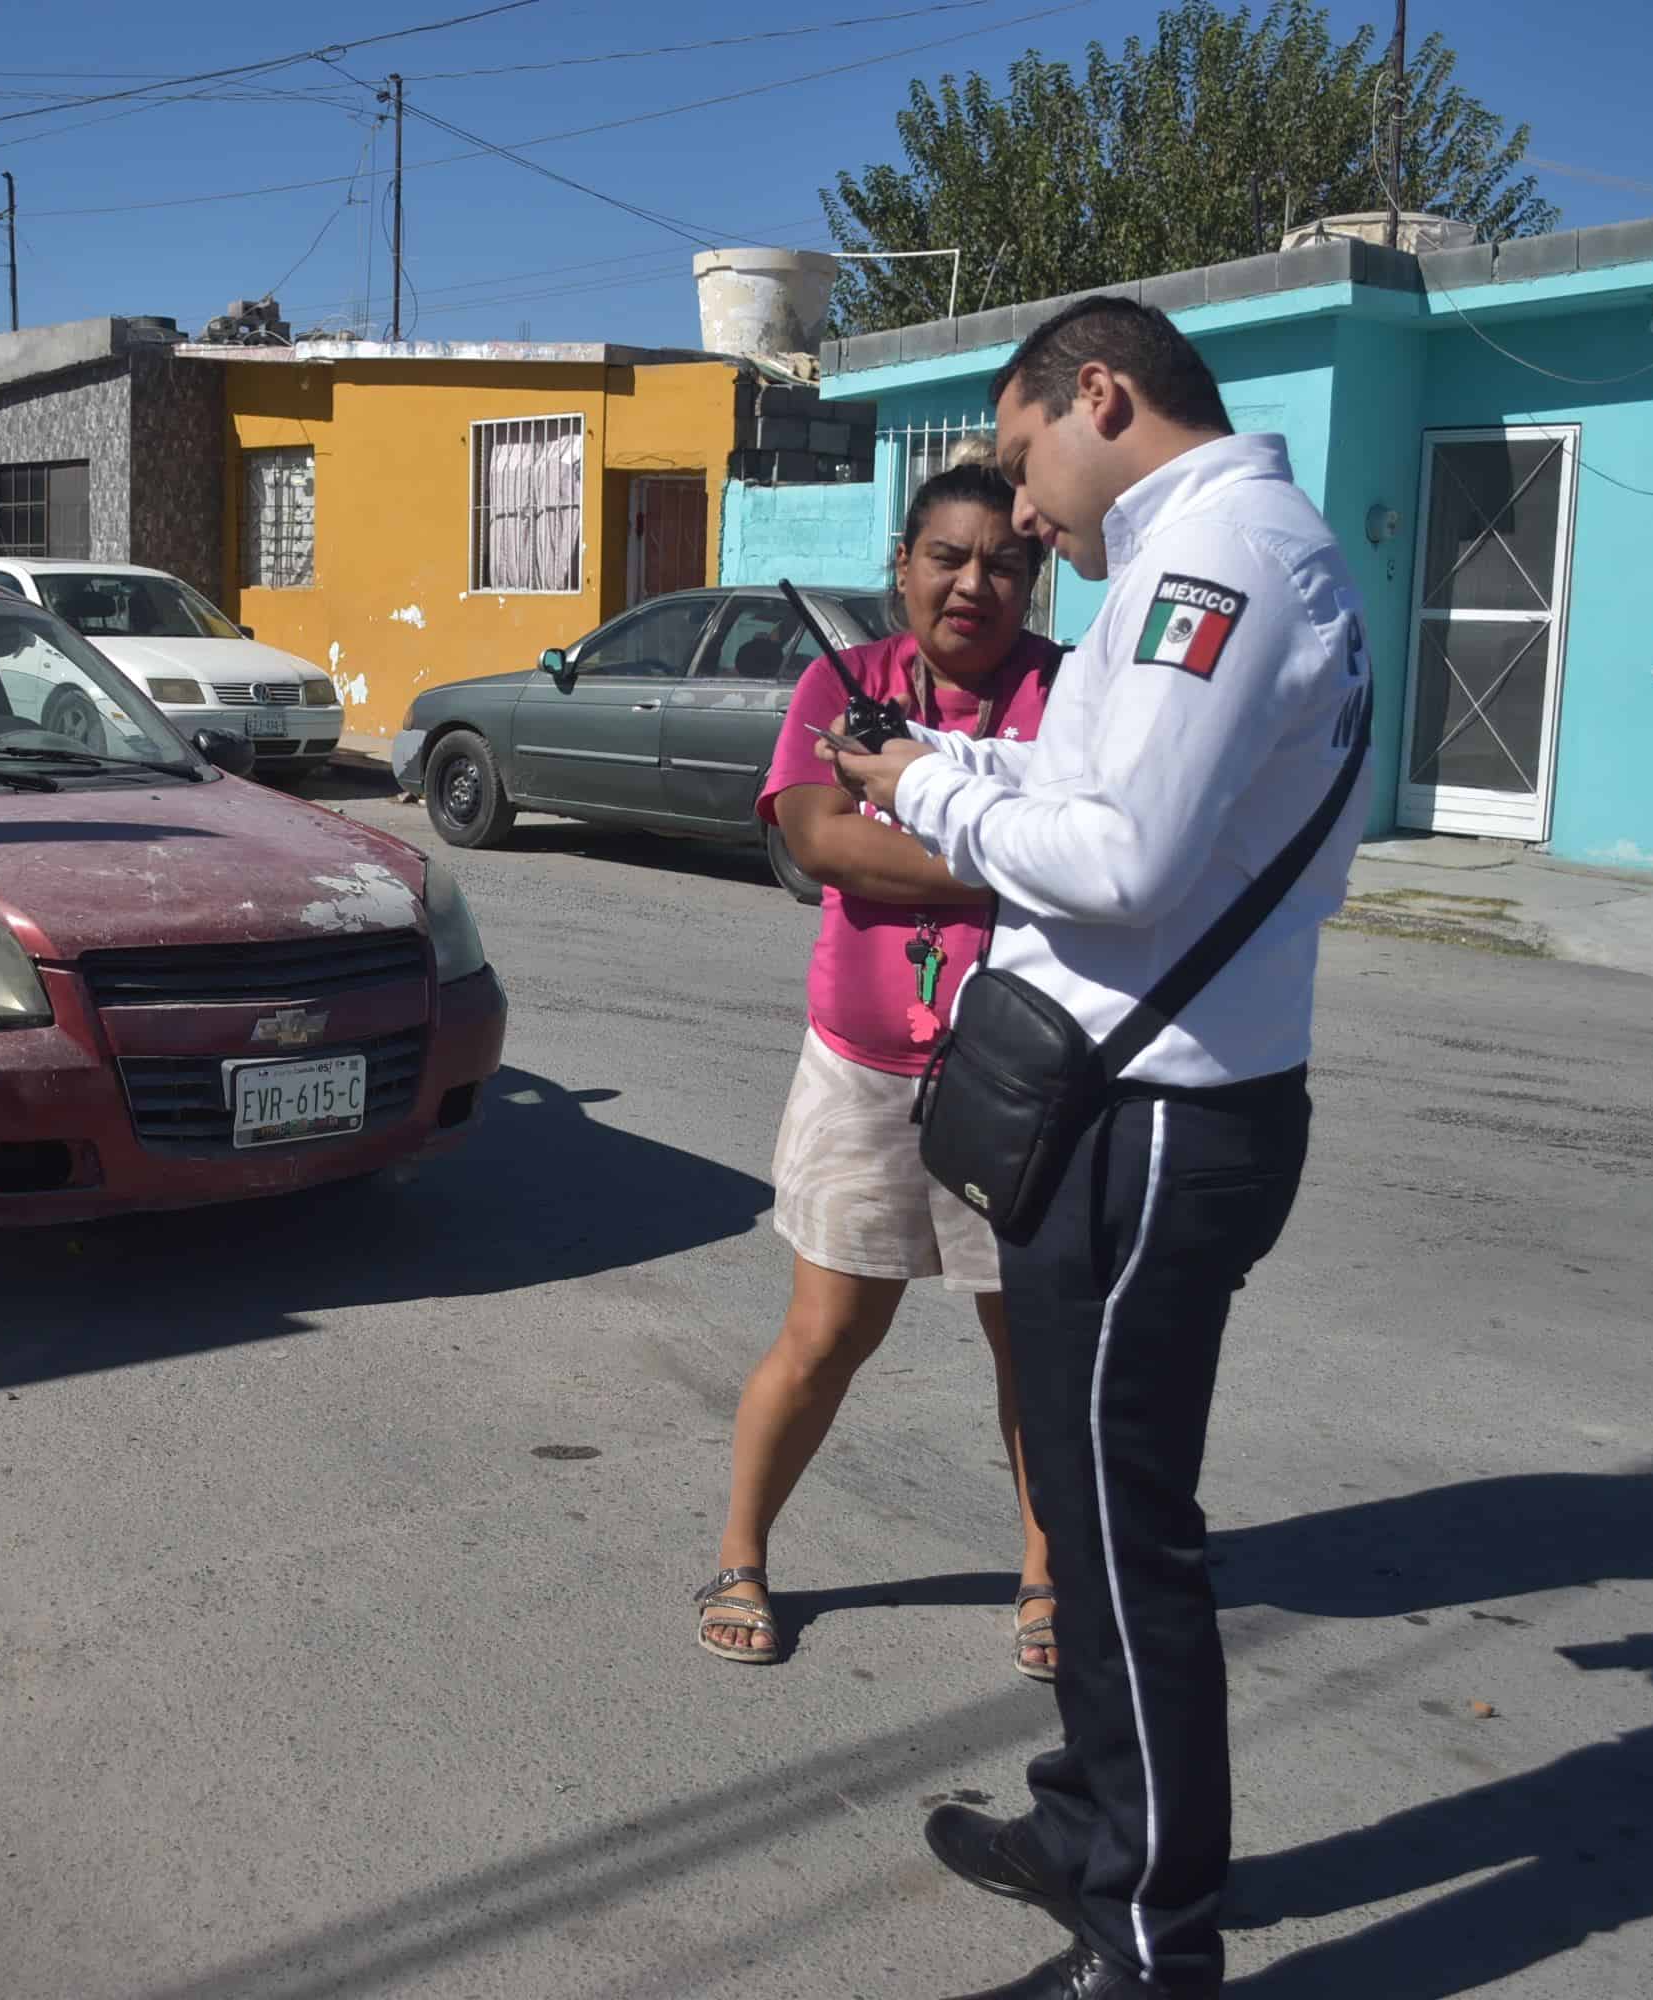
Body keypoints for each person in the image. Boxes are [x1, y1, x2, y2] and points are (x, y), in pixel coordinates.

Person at [829, 297, 1373, 1999]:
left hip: (1156, 1123)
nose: (1017, 508)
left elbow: (1123, 861)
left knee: (1123, 1536)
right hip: (1127, 1104)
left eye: (1015, 456)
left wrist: (919, 786)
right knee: (1076, 1497)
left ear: (1099, 395)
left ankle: (1148, 1942)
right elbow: (1085, 778)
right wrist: (951, 760)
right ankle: (1085, 1821)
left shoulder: (1220, 564)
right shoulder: (1188, 559)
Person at [693, 449, 1064, 1682]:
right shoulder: (839, 681)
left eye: (1004, 562)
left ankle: (1046, 1577)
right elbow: (819, 839)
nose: (974, 584)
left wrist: (948, 828)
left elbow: (1114, 847)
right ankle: (740, 1554)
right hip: (863, 1068)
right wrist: (1021, 855)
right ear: (900, 568)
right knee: (825, 1330)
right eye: (948, 557)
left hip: (1021, 1081)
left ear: (1037, 574)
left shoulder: (1067, 696)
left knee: (1034, 1348)